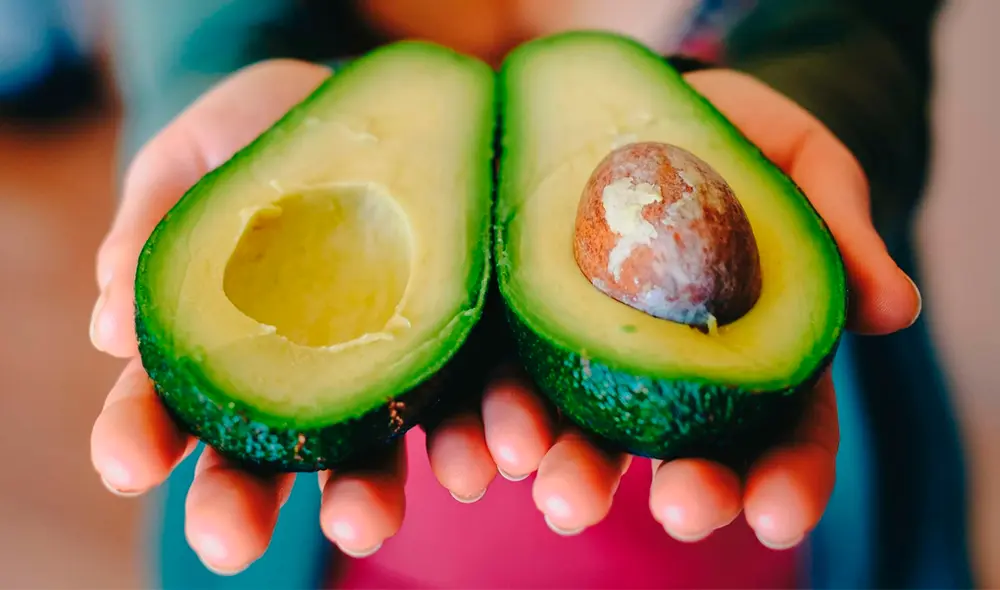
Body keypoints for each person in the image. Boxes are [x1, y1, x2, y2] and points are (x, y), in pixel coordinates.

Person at [90, 0, 975, 588]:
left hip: (774, 535)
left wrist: (815, 102)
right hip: (355, 540)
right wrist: (210, 87)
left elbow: (860, 25)